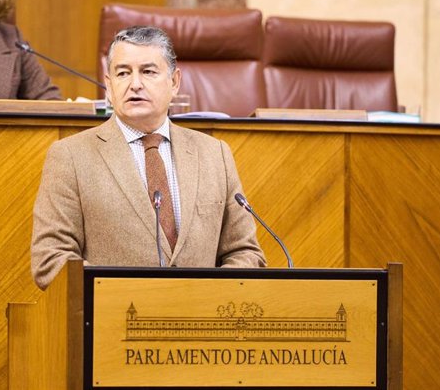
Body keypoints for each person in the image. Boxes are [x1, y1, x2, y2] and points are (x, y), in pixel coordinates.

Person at [31, 25, 266, 289]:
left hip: (202, 321)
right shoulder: (70, 156)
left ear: (174, 82)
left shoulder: (215, 154)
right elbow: (50, 258)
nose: (135, 84)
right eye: (123, 73)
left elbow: (245, 252)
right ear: (108, 85)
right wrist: (124, 297)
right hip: (113, 321)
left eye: (148, 71)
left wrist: (209, 295)